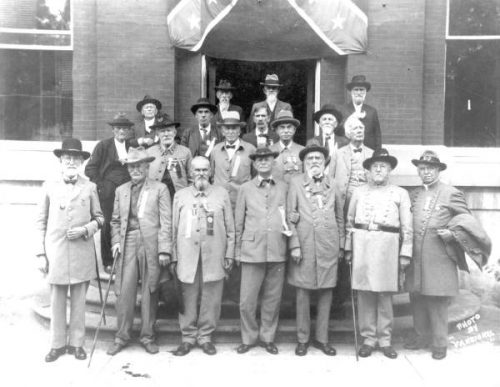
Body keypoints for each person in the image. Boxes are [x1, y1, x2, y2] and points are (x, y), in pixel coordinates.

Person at [36, 138, 104, 362]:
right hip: (56, 252)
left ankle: (77, 344)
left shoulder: (90, 186)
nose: (72, 162)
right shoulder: (49, 186)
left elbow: (100, 219)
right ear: (61, 161)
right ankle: (57, 345)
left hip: (81, 252)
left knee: (78, 301)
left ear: (82, 162)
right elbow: (41, 222)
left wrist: (86, 229)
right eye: (68, 158)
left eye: (76, 158)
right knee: (56, 301)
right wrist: (40, 254)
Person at [344, 148, 412, 359]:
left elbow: (407, 227)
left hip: (387, 246)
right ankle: (368, 338)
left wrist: (405, 253)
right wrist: (348, 248)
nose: (379, 169)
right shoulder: (359, 192)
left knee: (384, 294)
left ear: (390, 169)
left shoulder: (400, 193)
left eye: (383, 166)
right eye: (375, 166)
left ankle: (384, 339)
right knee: (365, 293)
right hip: (363, 244)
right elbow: (349, 222)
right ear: (369, 170)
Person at [404, 150, 471, 360]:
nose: (427, 173)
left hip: (439, 256)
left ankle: (440, 343)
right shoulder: (414, 195)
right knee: (416, 296)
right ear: (418, 171)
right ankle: (421, 336)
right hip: (416, 256)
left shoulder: (451, 193)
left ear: (438, 170)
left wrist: (453, 234)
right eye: (423, 169)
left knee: (437, 300)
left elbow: (467, 221)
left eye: (431, 169)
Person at [106, 147, 171, 356]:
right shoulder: (121, 190)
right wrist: (116, 241)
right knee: (125, 290)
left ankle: (147, 335)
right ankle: (121, 335)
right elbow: (115, 220)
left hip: (151, 243)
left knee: (150, 290)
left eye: (139, 165)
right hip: (128, 241)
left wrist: (164, 250)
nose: (135, 169)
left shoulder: (159, 189)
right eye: (131, 166)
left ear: (146, 166)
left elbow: (166, 222)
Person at [171, 156, 235, 356]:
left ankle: (206, 336)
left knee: (212, 297)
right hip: (187, 255)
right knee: (188, 296)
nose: (200, 174)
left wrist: (230, 254)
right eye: (197, 170)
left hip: (214, 254)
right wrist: (173, 255)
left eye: (204, 170)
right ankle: (188, 337)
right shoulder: (180, 196)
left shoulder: (221, 194)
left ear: (210, 172)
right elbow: (173, 228)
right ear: (190, 173)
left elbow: (231, 228)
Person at [287, 145, 345, 356]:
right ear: (304, 162)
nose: (314, 161)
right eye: (310, 158)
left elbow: (340, 217)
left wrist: (340, 245)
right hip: (304, 246)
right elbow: (289, 217)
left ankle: (322, 338)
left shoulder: (334, 185)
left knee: (326, 292)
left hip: (328, 245)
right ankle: (303, 338)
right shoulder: (295, 183)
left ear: (324, 161)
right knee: (302, 292)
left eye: (318, 158)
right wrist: (294, 245)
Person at [234, 147, 289, 355]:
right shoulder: (245, 188)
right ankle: (248, 337)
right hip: (251, 250)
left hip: (277, 248)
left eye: (267, 159)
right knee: (247, 300)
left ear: (273, 162)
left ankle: (267, 337)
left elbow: (289, 217)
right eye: (259, 160)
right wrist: (237, 251)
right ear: (255, 164)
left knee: (272, 298)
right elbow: (239, 221)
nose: (264, 162)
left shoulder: (284, 187)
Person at [330, 115, 374, 317]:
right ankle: (340, 297)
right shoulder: (338, 154)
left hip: (363, 210)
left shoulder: (372, 154)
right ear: (347, 133)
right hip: (342, 206)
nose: (359, 130)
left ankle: (359, 295)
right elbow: (330, 179)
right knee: (342, 248)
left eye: (362, 127)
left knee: (361, 249)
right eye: (355, 128)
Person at [84, 113, 134, 270]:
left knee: (126, 222)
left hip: (128, 190)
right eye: (118, 128)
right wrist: (101, 185)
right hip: (108, 192)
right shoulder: (103, 146)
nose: (121, 131)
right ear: (113, 130)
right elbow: (90, 169)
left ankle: (126, 259)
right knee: (107, 224)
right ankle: (108, 261)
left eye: (125, 129)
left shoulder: (132, 146)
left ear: (128, 131)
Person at [210, 111, 256, 210]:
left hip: (242, 201)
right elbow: (211, 175)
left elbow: (255, 176)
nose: (230, 132)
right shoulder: (215, 150)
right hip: (219, 201)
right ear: (222, 131)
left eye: (234, 128)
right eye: (227, 128)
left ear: (239, 131)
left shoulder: (250, 150)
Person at [147, 113, 192, 199]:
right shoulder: (149, 152)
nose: (166, 134)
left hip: (179, 197)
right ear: (157, 134)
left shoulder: (185, 152)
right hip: (155, 197)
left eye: (169, 130)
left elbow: (191, 178)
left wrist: (188, 197)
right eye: (162, 131)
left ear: (174, 133)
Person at [339, 75, 381, 151]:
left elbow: (377, 135)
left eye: (361, 90)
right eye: (356, 89)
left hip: (368, 150)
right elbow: (338, 131)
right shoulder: (343, 110)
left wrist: (377, 153)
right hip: (348, 150)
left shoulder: (372, 111)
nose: (359, 93)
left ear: (365, 92)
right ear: (351, 92)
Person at [269, 110, 304, 184]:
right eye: (282, 127)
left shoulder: (302, 151)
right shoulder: (270, 151)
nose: (286, 131)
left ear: (294, 130)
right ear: (277, 130)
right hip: (276, 192)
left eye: (289, 127)